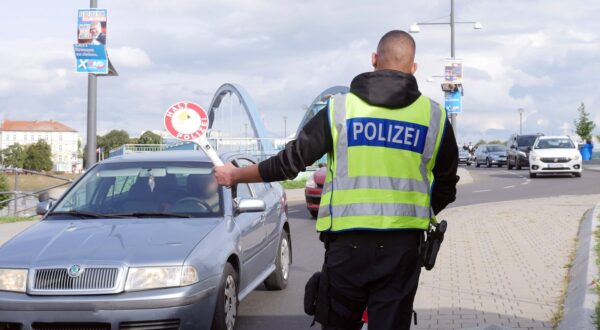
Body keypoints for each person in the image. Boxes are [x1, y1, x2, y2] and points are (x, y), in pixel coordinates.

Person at [213, 30, 458, 330]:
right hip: (402, 248)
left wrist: (236, 174)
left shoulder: (340, 109)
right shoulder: (433, 117)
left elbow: (290, 163)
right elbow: (446, 185)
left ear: (373, 60)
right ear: (413, 68)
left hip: (347, 248)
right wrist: (418, 211)